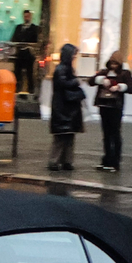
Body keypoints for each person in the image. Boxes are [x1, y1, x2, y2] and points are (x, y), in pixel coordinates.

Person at [91, 51, 132, 171]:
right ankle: (106, 160)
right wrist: (100, 80)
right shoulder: (104, 73)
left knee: (115, 133)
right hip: (104, 105)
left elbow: (131, 88)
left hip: (116, 106)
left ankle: (115, 162)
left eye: (116, 63)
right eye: (112, 63)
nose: (113, 66)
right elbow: (91, 81)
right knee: (106, 134)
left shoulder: (125, 74)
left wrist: (120, 87)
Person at [46, 42, 85, 171]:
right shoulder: (62, 69)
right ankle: (59, 161)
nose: (74, 57)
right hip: (64, 107)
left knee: (65, 136)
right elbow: (63, 84)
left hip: (65, 107)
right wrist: (75, 81)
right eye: (73, 55)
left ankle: (62, 161)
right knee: (63, 137)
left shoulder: (63, 69)